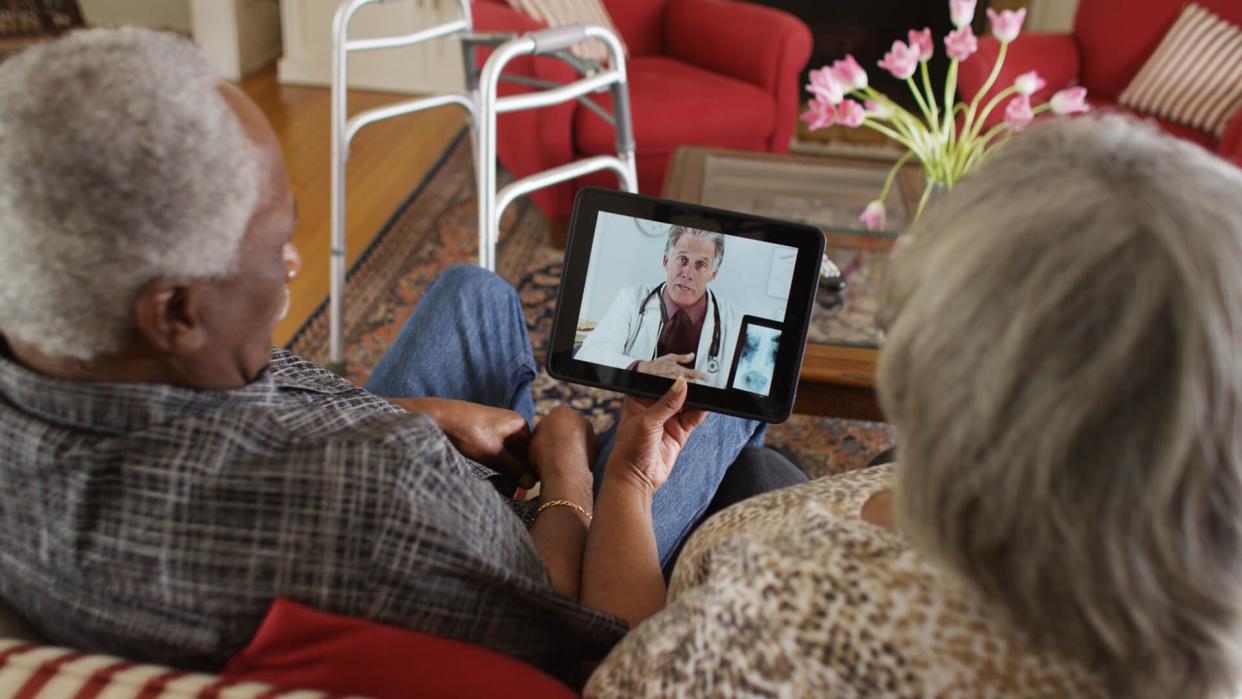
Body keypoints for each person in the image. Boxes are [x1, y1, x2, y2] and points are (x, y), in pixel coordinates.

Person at [0, 28, 776, 680]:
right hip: (526, 573)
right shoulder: (378, 484)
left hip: (354, 497)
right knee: (725, 410)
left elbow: (237, 422)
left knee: (470, 292)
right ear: (175, 312)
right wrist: (594, 472)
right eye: (274, 244)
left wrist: (416, 412)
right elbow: (591, 640)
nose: (294, 263)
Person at [584, 114, 1242, 698]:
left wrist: (623, 478)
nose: (691, 268)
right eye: (683, 257)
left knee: (741, 434)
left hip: (694, 588)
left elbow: (626, 664)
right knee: (766, 467)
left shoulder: (779, 624)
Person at [575, 225, 743, 388]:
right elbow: (588, 354)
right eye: (682, 259)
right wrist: (643, 368)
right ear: (666, 261)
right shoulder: (632, 299)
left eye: (701, 265)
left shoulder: (734, 320)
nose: (688, 273)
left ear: (713, 274)